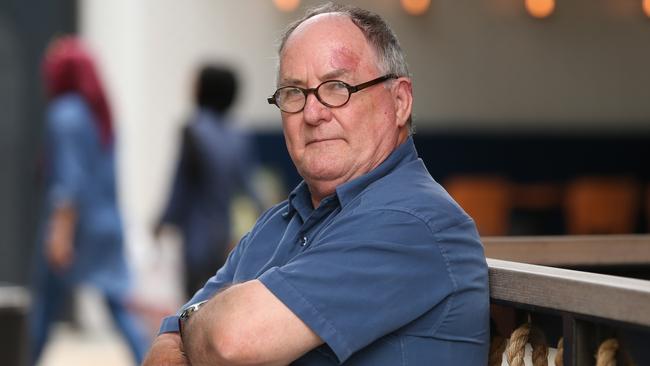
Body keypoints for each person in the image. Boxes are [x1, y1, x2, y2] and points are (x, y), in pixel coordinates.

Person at [143, 3, 489, 365]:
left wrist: (193, 324)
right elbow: (161, 351)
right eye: (294, 92)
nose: (313, 113)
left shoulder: (415, 223)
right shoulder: (276, 224)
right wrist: (197, 327)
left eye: (337, 87)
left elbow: (231, 342)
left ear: (400, 101)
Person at [30, 36, 148, 365]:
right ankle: (146, 359)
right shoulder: (100, 117)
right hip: (107, 224)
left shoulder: (64, 113)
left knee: (45, 309)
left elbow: (69, 182)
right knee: (118, 305)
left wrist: (59, 234)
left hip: (76, 227)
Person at [155, 64, 264, 299]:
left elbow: (180, 186)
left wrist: (162, 220)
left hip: (196, 234)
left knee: (191, 303)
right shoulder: (239, 135)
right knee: (217, 300)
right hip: (226, 235)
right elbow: (249, 187)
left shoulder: (193, 131)